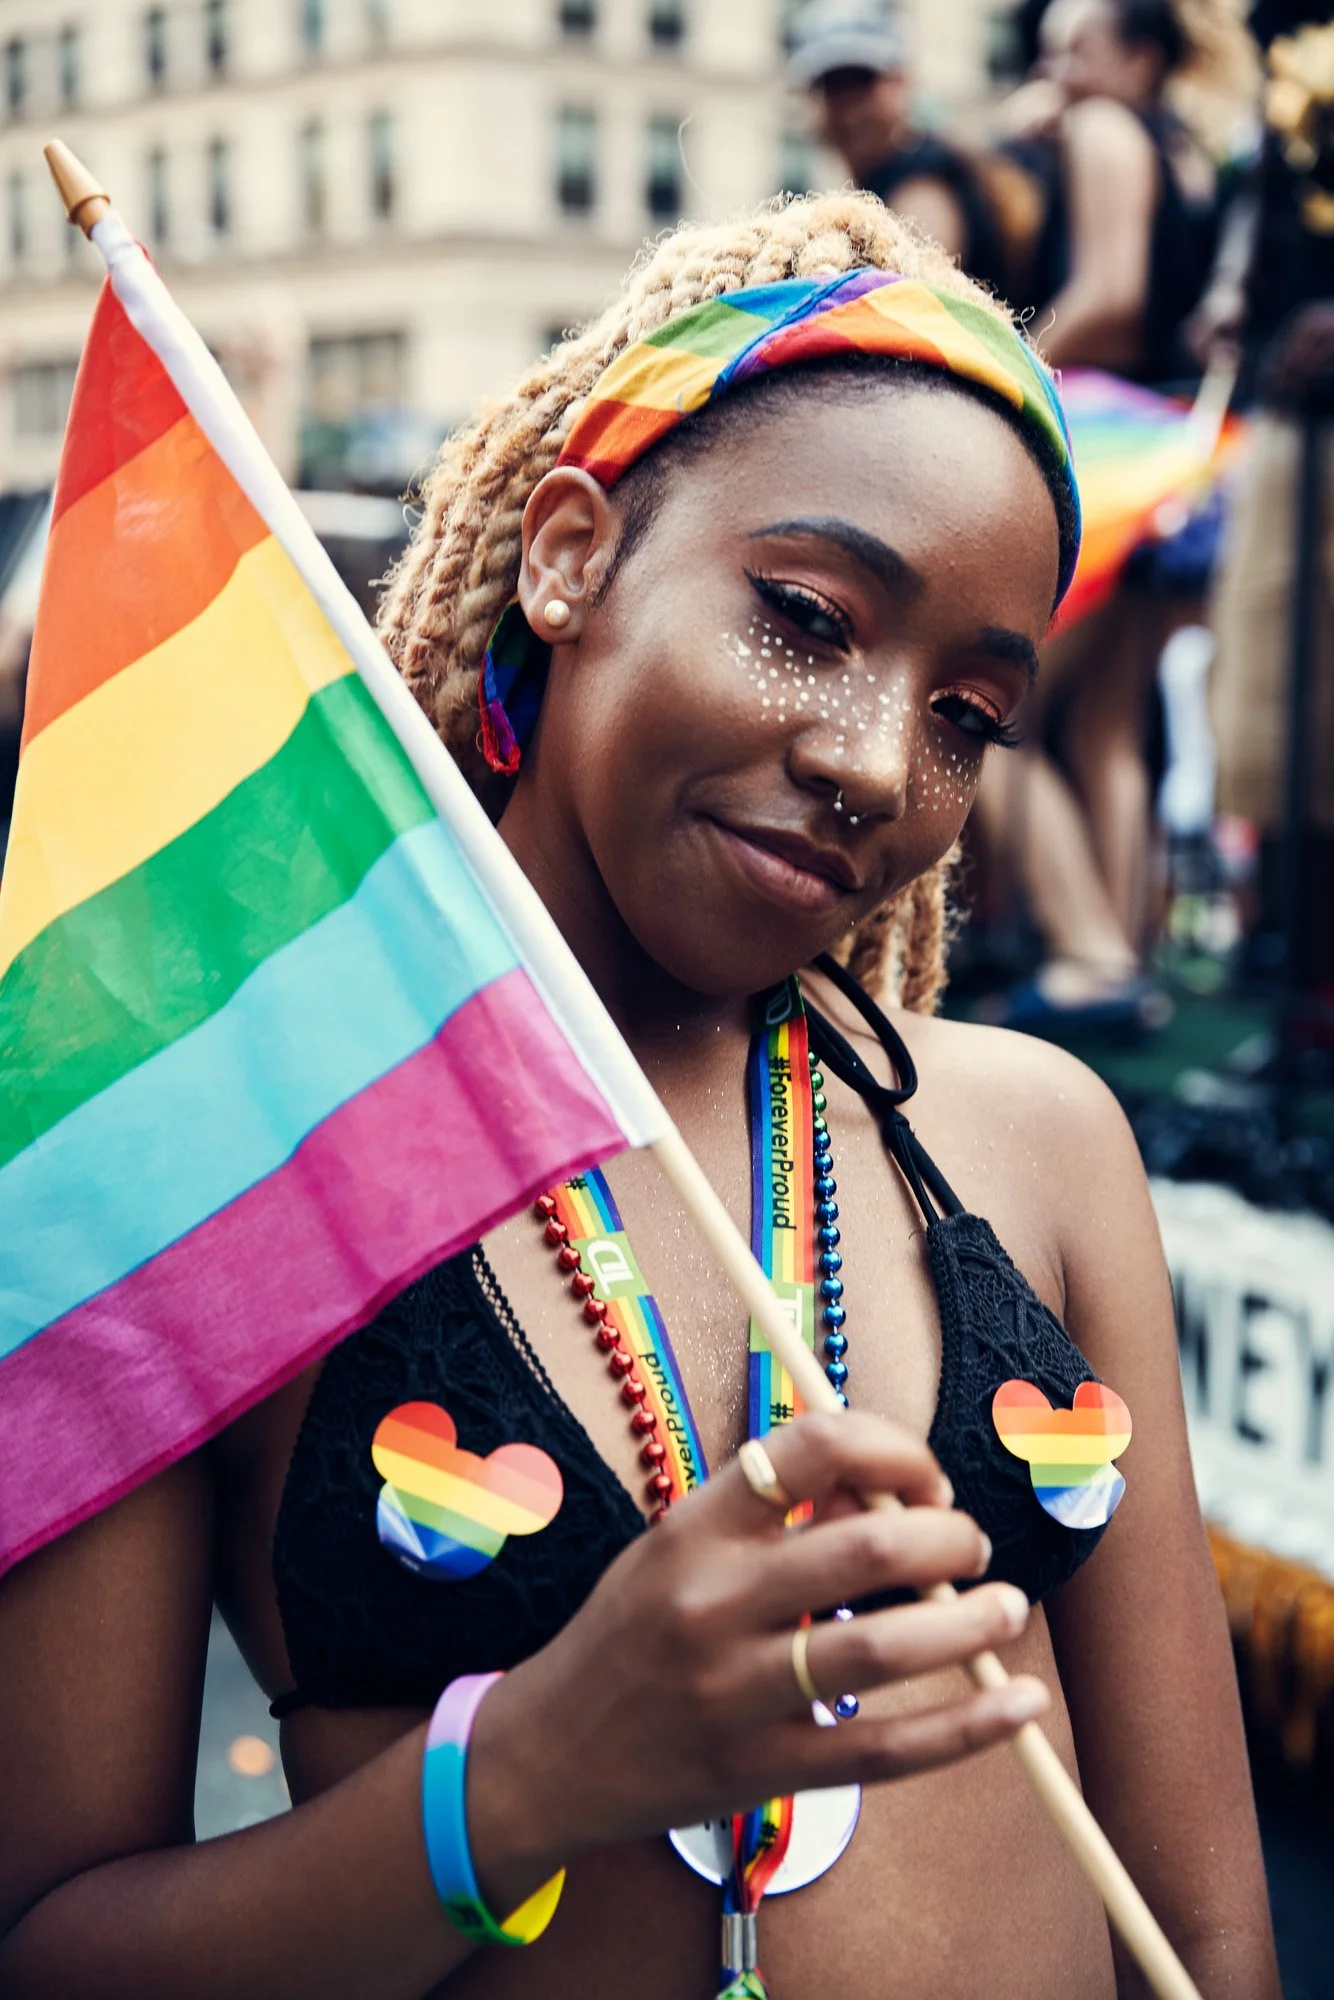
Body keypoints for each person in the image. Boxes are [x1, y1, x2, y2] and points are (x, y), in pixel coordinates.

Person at [0, 195, 1279, 1999]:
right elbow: (51, 1944)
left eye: (965, 716)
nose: (869, 765)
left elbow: (1205, 1926)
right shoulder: (218, 1165)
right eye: (806, 619)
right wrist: (522, 1778)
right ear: (566, 555)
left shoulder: (1032, 1145)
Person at [969, 0, 1255, 1022]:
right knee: (1105, 731)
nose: (1054, 70)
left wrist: (994, 372)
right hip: (1177, 448)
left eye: (1074, 49)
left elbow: (1111, 294)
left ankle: (1086, 953)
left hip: (1104, 442)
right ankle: (1124, 962)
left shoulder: (1099, 130)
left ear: (1134, 54)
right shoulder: (1180, 145)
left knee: (999, 716)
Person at [788, 2, 1019, 298]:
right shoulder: (899, 172)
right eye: (833, 87)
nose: (849, 106)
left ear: (901, 82)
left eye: (863, 81)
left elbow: (910, 300)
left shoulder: (920, 183)